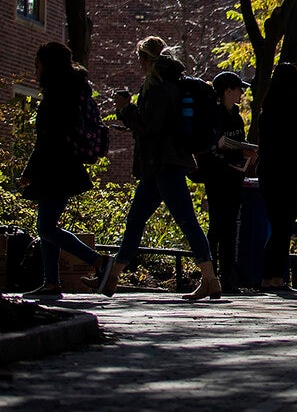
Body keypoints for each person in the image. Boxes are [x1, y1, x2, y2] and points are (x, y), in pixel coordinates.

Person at [93, 36, 219, 300]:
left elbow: (150, 125)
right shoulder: (171, 84)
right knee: (136, 219)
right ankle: (112, 278)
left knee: (186, 221)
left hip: (165, 164)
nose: (138, 64)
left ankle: (210, 279)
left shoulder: (160, 87)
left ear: (147, 59)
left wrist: (126, 111)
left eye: (140, 59)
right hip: (159, 165)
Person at [18, 43, 104, 297]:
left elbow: (47, 139)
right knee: (47, 227)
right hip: (62, 166)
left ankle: (99, 262)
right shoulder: (72, 91)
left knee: (46, 228)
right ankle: (51, 282)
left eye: (38, 66)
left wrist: (29, 171)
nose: (35, 72)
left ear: (49, 66)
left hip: (55, 168)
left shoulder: (57, 96)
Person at [255, 61, 297, 291]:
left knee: (277, 225)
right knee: (284, 227)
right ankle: (275, 278)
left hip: (269, 174)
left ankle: (268, 277)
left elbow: (263, 146)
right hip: (292, 174)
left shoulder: (266, 112)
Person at [197, 71, 254, 295]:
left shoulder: (237, 117)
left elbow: (238, 144)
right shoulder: (213, 115)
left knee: (230, 229)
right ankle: (210, 277)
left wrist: (247, 155)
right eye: (238, 88)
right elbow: (207, 146)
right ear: (227, 91)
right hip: (217, 178)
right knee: (217, 227)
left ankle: (229, 279)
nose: (242, 92)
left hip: (234, 179)